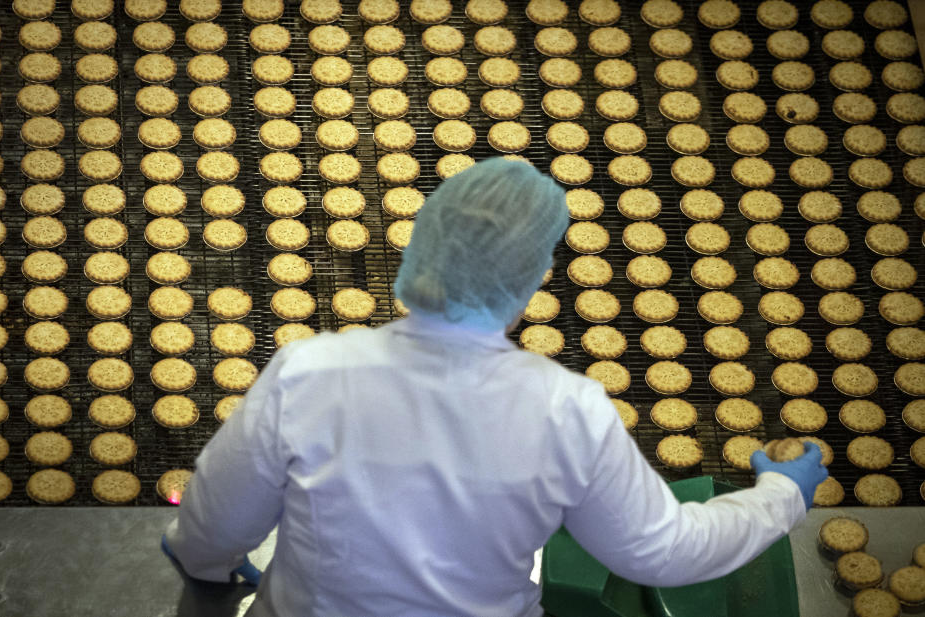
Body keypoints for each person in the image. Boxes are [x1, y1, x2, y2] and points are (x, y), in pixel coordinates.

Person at [162, 158, 828, 617]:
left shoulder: (307, 371)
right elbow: (663, 550)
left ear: (420, 250)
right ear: (532, 277)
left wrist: (212, 569)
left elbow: (211, 526)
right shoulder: (567, 411)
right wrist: (779, 496)